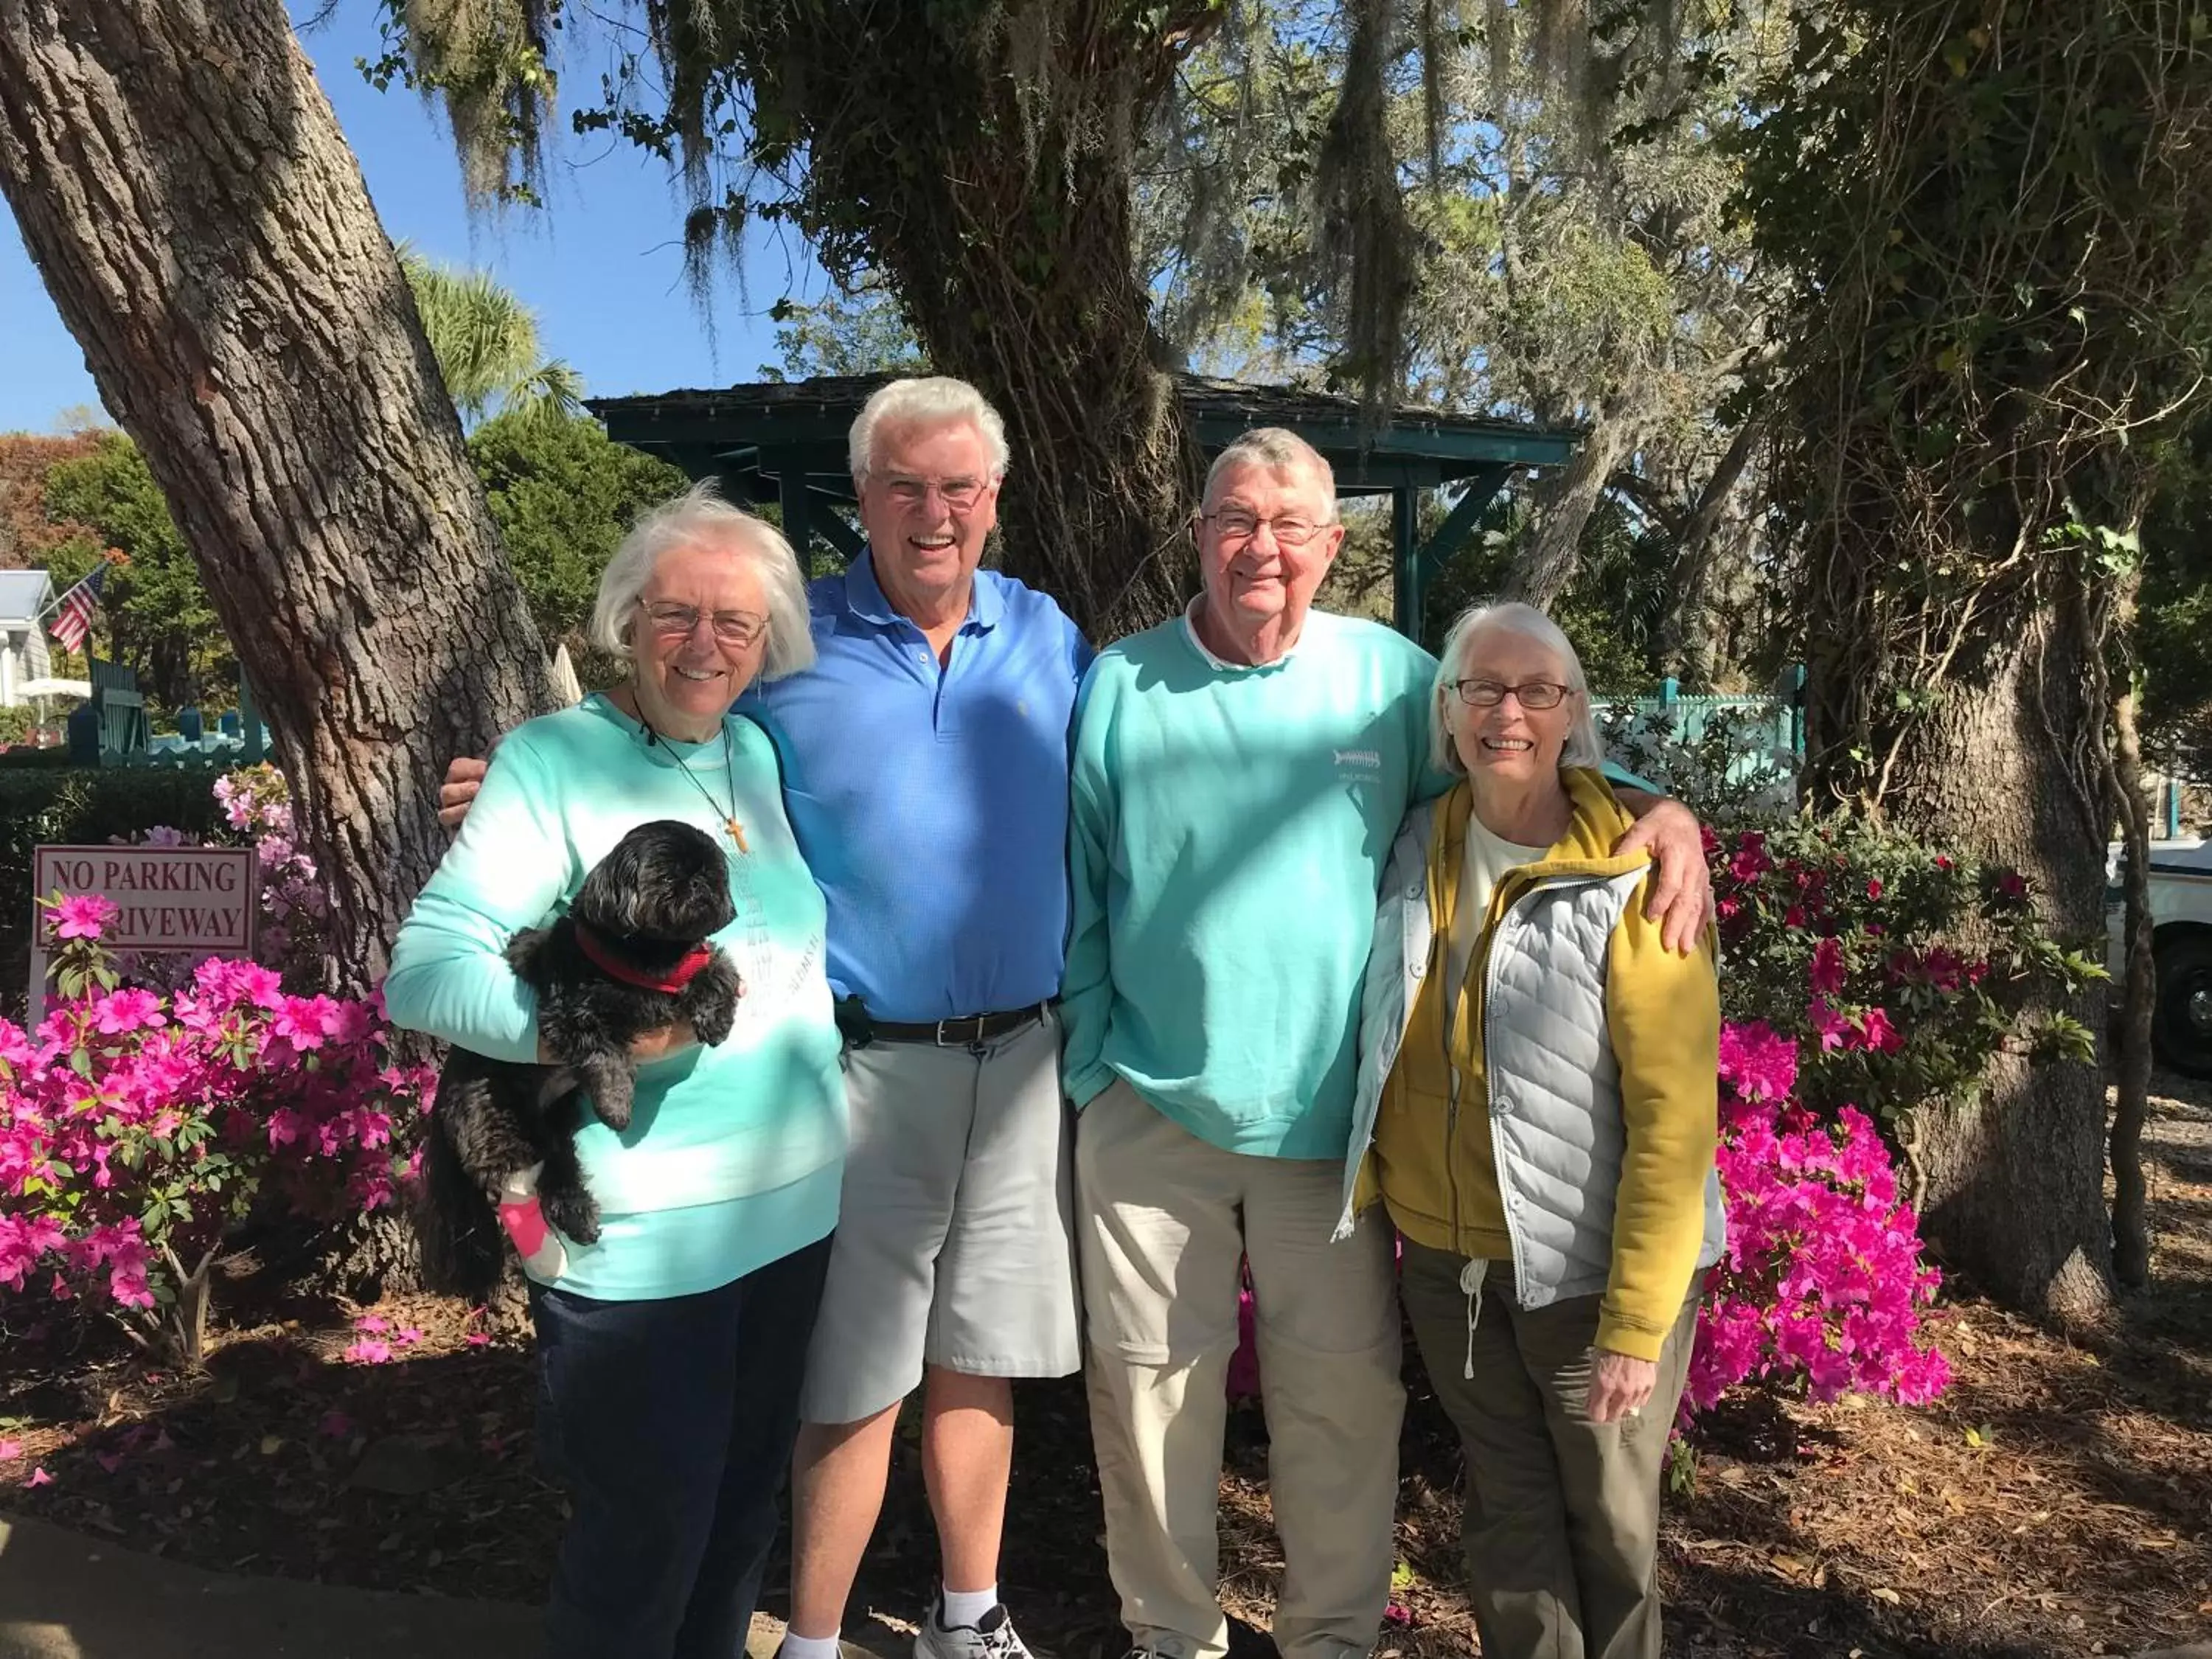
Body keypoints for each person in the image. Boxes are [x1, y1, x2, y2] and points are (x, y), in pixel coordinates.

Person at [440, 377, 1089, 1659]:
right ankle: (812, 1636)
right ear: (863, 498)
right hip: (865, 1067)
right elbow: (667, 715)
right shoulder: (800, 646)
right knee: (849, 1377)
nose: (933, 509)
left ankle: (971, 1614)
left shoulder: (1052, 636)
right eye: (904, 484)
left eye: (960, 485)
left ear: (995, 499)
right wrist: (541, 749)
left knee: (979, 1355)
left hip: (1020, 1056)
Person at [1060, 428, 1712, 1659]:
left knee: (1341, 1401)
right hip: (1149, 1107)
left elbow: (1515, 754)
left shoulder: (1389, 677)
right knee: (1147, 1390)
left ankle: (1334, 1638)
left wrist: (1652, 804)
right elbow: (1085, 887)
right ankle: (1170, 1632)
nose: (1262, 546)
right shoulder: (1120, 685)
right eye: (1235, 519)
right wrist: (1095, 1065)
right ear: (1198, 532)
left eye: (1290, 524)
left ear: (1332, 545)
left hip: (1331, 1133)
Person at [386, 483, 846, 1659]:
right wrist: (591, 1036)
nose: (705, 644)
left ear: (766, 643)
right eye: (676, 614)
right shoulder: (551, 763)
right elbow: (424, 973)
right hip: (642, 1249)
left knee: (739, 1528)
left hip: (791, 1222)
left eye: (735, 623)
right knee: (642, 1551)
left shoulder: (754, 752)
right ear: (627, 622)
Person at [1348, 600, 1723, 1659]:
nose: (1507, 710)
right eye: (1484, 687)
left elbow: (1675, 1116)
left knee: (1608, 1527)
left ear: (1572, 714)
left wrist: (1637, 1320)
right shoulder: (1418, 838)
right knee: (1507, 1520)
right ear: (1450, 707)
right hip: (1451, 1265)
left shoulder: (1641, 876)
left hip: (1589, 1270)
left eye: (1537, 690)